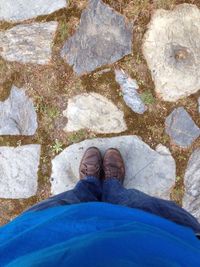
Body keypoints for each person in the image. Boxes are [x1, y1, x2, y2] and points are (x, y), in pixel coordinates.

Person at [0, 147, 200, 266]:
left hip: (34, 245)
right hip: (166, 246)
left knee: (64, 207)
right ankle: (112, 187)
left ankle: (89, 185)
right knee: (138, 206)